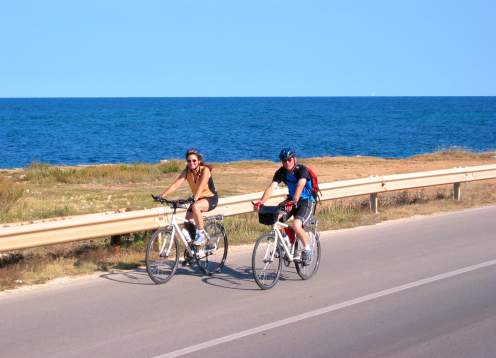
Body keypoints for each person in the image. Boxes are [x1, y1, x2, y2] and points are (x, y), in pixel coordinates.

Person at [253, 148, 316, 265]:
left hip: (305, 201)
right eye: (284, 160)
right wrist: (261, 202)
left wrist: (294, 200)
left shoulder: (301, 170)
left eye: (289, 159)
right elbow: (271, 187)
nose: (287, 162)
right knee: (275, 219)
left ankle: (307, 249)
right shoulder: (281, 172)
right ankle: (286, 241)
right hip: (291, 200)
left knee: (296, 225)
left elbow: (300, 185)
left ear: (294, 159)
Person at [159, 148, 218, 246]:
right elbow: (175, 185)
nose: (191, 163)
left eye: (194, 160)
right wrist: (161, 195)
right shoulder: (187, 171)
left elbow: (201, 186)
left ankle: (201, 235)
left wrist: (195, 198)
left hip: (210, 198)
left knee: (195, 207)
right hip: (197, 199)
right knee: (186, 229)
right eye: (189, 161)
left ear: (199, 161)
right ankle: (192, 254)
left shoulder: (205, 170)